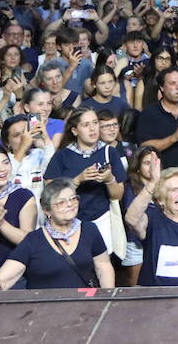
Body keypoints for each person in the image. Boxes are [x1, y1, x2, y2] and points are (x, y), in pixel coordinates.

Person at [0, 178, 115, 290]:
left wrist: (108, 298)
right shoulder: (33, 241)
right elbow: (8, 276)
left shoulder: (89, 230)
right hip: (43, 314)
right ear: (46, 210)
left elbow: (103, 266)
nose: (70, 205)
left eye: (73, 199)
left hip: (86, 309)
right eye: (61, 202)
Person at [43, 106, 126, 252]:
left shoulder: (109, 152)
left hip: (102, 219)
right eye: (86, 125)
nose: (92, 129)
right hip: (69, 221)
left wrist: (109, 179)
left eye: (95, 123)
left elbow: (118, 195)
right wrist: (77, 180)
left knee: (102, 263)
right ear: (75, 131)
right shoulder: (63, 155)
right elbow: (50, 191)